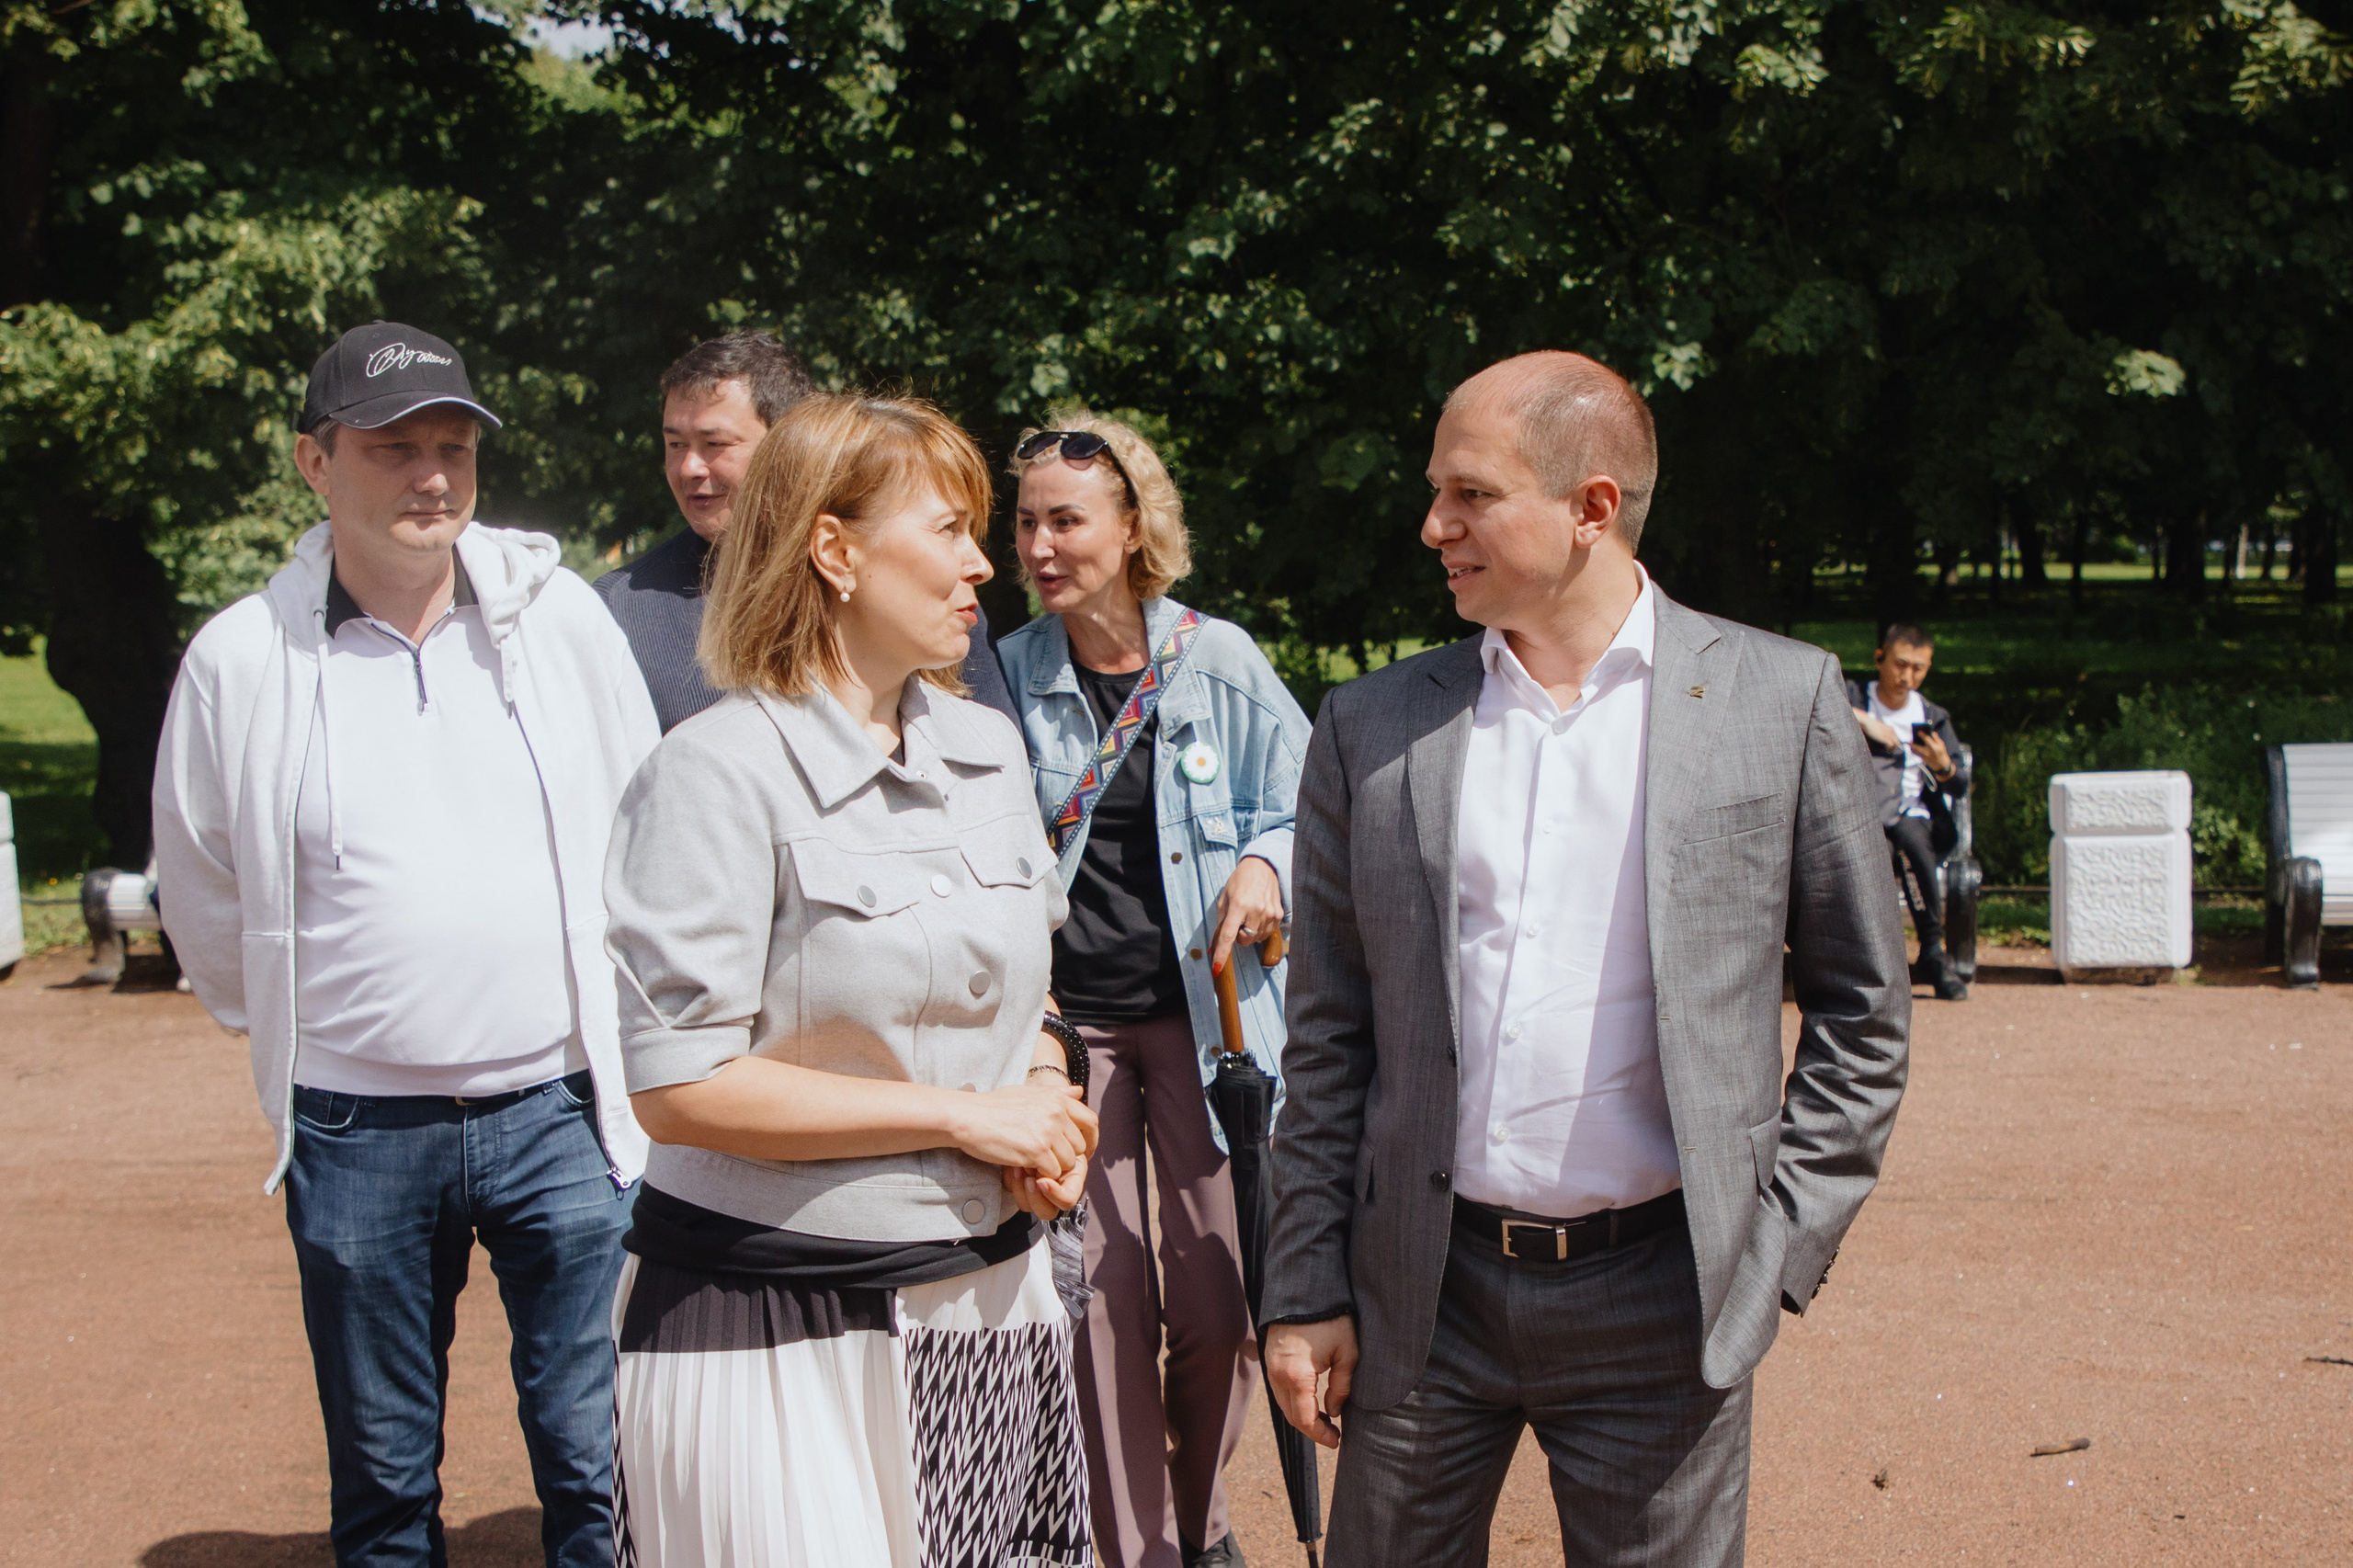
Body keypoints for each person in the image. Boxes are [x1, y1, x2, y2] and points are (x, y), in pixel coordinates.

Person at [1259, 351, 1911, 1566]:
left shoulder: (1778, 700)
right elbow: (1328, 1034)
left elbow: (1863, 1006)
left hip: (1666, 1302)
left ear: (1590, 508)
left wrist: (1773, 1248)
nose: (1433, 525)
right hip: (1421, 1291)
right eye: (1436, 492)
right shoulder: (1374, 723)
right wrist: (1303, 1284)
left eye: (1469, 494)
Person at [152, 322, 661, 1568]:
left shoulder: (560, 621)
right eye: (393, 449)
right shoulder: (242, 657)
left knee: (599, 1453)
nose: (432, 475)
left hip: (563, 1107)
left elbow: (645, 813)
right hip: (355, 1126)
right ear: (314, 462)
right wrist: (301, 1026)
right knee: (383, 1473)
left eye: (453, 446)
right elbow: (201, 879)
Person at [600, 392, 1097, 1567]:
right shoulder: (712, 772)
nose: (984, 563)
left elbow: (1028, 994)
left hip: (982, 1298)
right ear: (834, 548)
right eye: (948, 529)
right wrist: (965, 1116)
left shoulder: (988, 749)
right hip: (763, 1318)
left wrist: (1043, 1089)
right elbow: (679, 1087)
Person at [996, 414, 1313, 1568]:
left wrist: (1265, 861)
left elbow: (1307, 800)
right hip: (1067, 1032)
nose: (1039, 544)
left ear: (1132, 528)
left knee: (1221, 1295)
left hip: (1206, 1021)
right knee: (1102, 1297)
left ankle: (1201, 1516)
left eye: (1066, 520)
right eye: (1026, 521)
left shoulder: (1217, 659)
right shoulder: (1003, 672)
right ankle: (1140, 1546)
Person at [596, 329, 1020, 731]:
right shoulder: (618, 609)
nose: (688, 467)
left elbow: (991, 753)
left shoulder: (924, 591)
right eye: (675, 445)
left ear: (789, 442)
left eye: (715, 444)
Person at [1847, 624, 1968, 1001]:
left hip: (1912, 814)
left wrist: (1942, 764)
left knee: (1914, 843)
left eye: (1918, 668)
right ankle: (1871, 961)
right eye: (1900, 664)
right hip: (1859, 815)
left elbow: (1959, 784)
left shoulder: (1932, 716)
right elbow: (1812, 707)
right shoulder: (1853, 696)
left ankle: (1932, 951)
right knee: (1875, 852)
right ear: (1879, 659)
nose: (1907, 676)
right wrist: (1865, 721)